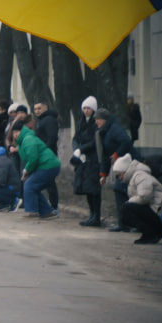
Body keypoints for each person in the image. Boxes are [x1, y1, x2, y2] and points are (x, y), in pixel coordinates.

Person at [111, 154, 162, 244]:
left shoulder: (140, 175)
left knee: (126, 210)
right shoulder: (136, 175)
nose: (119, 178)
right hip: (156, 207)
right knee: (127, 210)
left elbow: (145, 196)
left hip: (159, 209)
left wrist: (128, 202)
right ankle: (150, 233)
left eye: (119, 174)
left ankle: (153, 232)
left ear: (124, 171)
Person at [95, 108, 134, 232]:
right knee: (120, 191)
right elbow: (106, 155)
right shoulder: (105, 132)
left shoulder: (114, 129)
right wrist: (104, 174)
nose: (96, 122)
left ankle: (127, 224)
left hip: (129, 165)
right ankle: (125, 223)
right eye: (95, 119)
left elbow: (126, 141)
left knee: (122, 191)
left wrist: (117, 154)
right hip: (120, 167)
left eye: (98, 119)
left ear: (105, 120)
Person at [15, 118, 61, 220]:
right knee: (33, 187)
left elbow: (33, 158)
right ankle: (47, 212)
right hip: (47, 165)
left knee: (30, 185)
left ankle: (32, 211)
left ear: (21, 131)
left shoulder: (28, 140)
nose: (15, 135)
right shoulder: (23, 141)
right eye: (13, 132)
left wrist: (27, 170)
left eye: (16, 132)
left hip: (48, 165)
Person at [72, 96, 104, 227]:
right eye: (84, 108)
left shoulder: (95, 123)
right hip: (83, 159)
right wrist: (76, 150)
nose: (86, 111)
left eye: (89, 108)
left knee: (94, 189)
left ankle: (96, 216)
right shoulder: (81, 122)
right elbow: (75, 138)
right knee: (86, 188)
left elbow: (94, 141)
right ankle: (92, 215)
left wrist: (82, 149)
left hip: (93, 159)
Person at [32, 100, 61, 209]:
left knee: (49, 181)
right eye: (35, 109)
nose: (37, 111)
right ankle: (47, 205)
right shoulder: (41, 120)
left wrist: (45, 151)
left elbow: (52, 138)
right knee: (47, 181)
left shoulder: (48, 120)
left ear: (46, 108)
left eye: (39, 108)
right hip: (42, 154)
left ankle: (54, 206)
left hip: (48, 155)